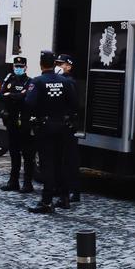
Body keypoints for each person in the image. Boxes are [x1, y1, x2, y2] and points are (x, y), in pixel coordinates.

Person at [24, 51, 78, 214]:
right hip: (62, 126)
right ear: (54, 64)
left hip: (45, 126)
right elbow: (75, 103)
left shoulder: (38, 82)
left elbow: (29, 102)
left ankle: (47, 201)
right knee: (61, 162)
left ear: (41, 64)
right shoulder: (65, 82)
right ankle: (64, 197)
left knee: (47, 164)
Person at [0, 55, 35, 193]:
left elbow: (27, 99)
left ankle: (27, 183)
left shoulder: (29, 82)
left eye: (20, 66)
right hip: (11, 121)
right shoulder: (9, 79)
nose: (18, 68)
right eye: (16, 66)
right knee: (13, 153)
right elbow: (1, 95)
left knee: (27, 154)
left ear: (25, 67)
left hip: (24, 122)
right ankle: (13, 181)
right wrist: (18, 95)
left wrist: (11, 95)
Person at [54, 53, 82, 203]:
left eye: (61, 64)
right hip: (60, 124)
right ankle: (61, 188)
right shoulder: (61, 80)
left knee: (69, 160)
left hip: (67, 124)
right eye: (57, 64)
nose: (58, 67)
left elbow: (73, 104)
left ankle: (74, 191)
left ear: (69, 66)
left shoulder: (69, 82)